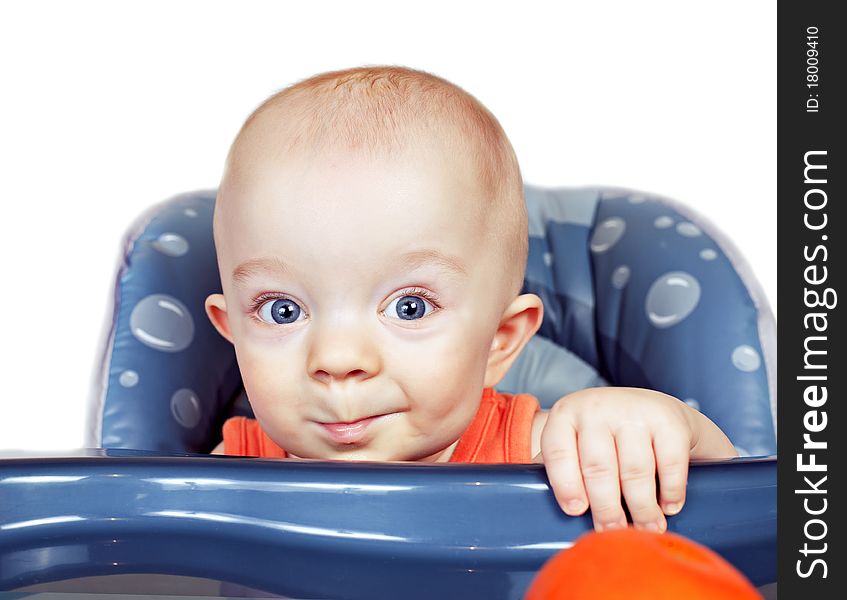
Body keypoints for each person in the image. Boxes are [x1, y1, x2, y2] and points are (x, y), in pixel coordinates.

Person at [204, 65, 737, 533]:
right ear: (233, 333)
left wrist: (651, 425)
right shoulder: (230, 472)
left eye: (409, 307)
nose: (338, 360)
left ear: (501, 341)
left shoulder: (548, 452)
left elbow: (740, 500)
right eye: (283, 311)